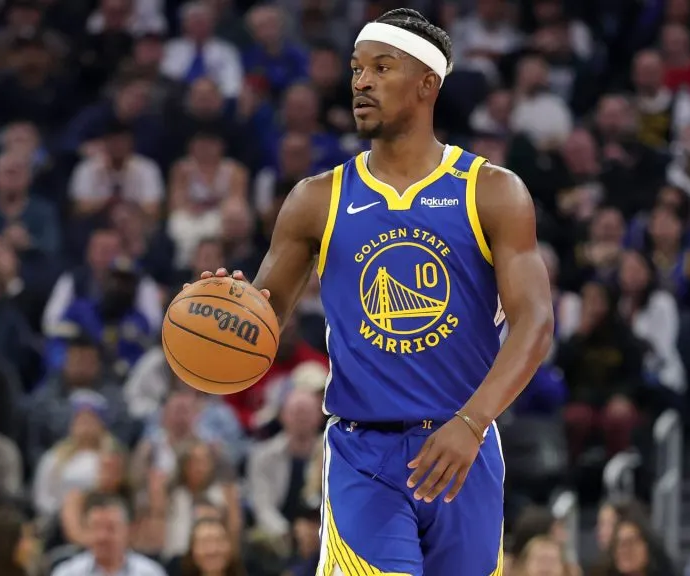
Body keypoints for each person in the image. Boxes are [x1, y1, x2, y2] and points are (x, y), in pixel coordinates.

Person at [193, 8, 553, 574]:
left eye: (382, 68)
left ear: (427, 84)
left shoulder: (492, 191)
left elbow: (535, 325)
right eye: (357, 69)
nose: (361, 81)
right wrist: (226, 313)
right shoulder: (316, 198)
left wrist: (471, 423)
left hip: (465, 445)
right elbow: (260, 327)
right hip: (364, 453)